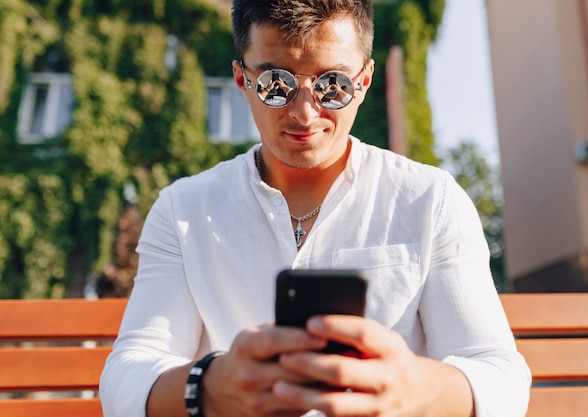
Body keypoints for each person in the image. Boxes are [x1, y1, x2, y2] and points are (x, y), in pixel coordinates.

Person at [100, 1, 531, 416]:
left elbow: (499, 375)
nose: (305, 114)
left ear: (363, 82)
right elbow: (128, 373)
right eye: (276, 85)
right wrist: (210, 388)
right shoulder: (183, 209)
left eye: (333, 85)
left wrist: (412, 391)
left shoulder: (429, 200)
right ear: (241, 80)